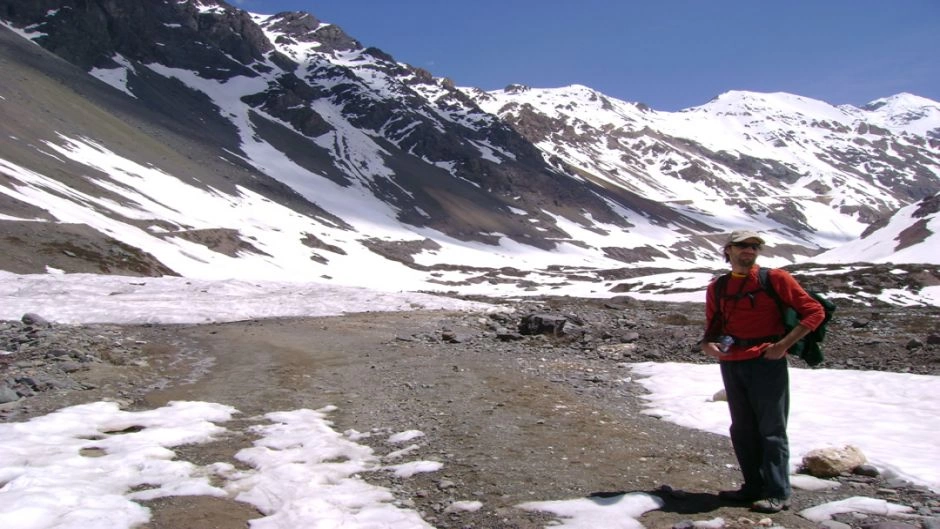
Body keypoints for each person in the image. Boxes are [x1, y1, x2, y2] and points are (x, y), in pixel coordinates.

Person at [702, 230, 825, 514]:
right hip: (732, 361)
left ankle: (778, 492)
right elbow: (713, 324)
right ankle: (753, 487)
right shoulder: (718, 287)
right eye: (743, 245)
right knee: (742, 428)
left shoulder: (776, 279)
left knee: (771, 430)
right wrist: (707, 344)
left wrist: (783, 345)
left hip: (767, 361)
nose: (750, 250)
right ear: (729, 250)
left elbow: (813, 311)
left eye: (755, 246)